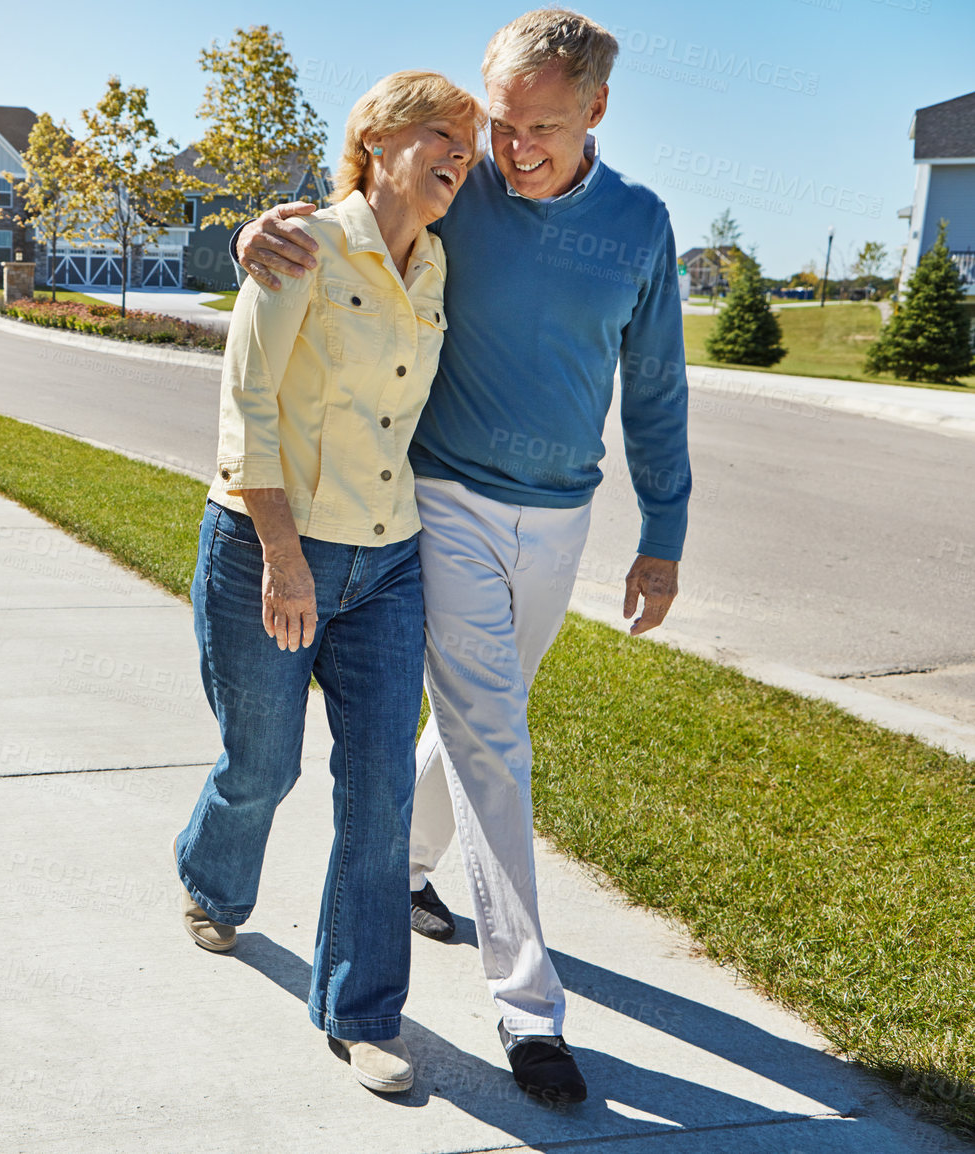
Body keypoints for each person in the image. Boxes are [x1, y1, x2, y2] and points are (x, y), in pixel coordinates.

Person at [233, 8, 691, 1106]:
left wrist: (662, 533)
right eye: (499, 122)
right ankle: (530, 1011)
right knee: (496, 738)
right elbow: (340, 218)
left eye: (540, 126)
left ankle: (404, 867)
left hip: (562, 514)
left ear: (597, 110)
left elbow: (659, 388)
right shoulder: (452, 188)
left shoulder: (639, 223)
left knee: (485, 716)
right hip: (439, 502)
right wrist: (254, 235)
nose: (511, 148)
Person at [175, 70, 484, 1095]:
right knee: (263, 766)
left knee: (383, 786)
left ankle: (361, 1009)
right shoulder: (299, 240)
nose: (462, 156)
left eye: (471, 146)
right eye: (446, 133)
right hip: (272, 546)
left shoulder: (438, 262)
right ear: (378, 137)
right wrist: (282, 554)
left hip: (388, 561)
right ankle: (211, 879)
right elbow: (247, 405)